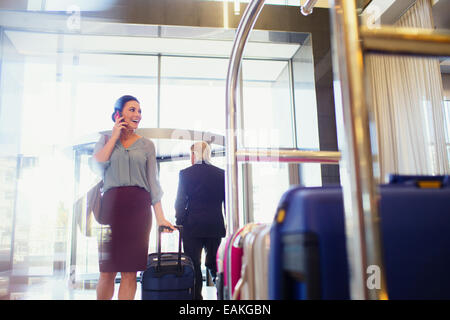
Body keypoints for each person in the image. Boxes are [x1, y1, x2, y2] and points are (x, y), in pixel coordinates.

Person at [90, 95, 174, 300]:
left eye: (139, 110)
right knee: (106, 270)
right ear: (118, 114)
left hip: (139, 211)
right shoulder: (104, 139)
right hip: (109, 211)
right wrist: (114, 137)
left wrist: (161, 218)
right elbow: (97, 165)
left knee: (130, 272)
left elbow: (153, 183)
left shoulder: (147, 145)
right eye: (132, 109)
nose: (138, 114)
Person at [174, 141, 226, 300]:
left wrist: (180, 221)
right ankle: (222, 295)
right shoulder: (221, 173)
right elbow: (227, 201)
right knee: (215, 264)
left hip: (192, 226)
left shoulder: (185, 173)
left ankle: (196, 298)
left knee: (193, 265)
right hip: (215, 225)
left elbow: (180, 201)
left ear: (194, 154)